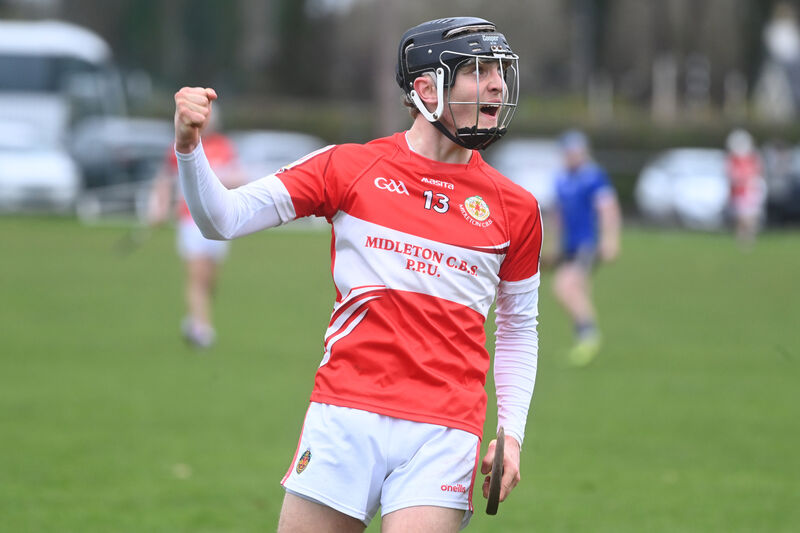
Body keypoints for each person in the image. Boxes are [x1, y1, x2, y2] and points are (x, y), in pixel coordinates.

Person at [173, 17, 541, 532]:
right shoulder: (348, 168)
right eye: (479, 71)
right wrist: (189, 148)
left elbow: (520, 327)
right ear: (426, 88)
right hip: (344, 415)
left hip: (445, 433)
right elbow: (222, 219)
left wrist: (512, 433)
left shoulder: (516, 208)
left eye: (500, 71)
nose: (498, 84)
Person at [148, 110, 245, 348]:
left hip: (220, 221)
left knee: (210, 280)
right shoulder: (181, 145)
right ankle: (202, 329)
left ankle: (195, 317)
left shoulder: (224, 146)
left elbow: (238, 177)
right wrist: (159, 207)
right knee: (197, 275)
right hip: (190, 220)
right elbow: (165, 179)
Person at [548, 130, 621, 367]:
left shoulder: (593, 177)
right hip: (569, 247)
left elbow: (608, 209)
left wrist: (610, 240)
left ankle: (589, 336)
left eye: (576, 152)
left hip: (586, 245)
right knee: (578, 289)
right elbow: (557, 215)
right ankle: (586, 343)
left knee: (564, 286)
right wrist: (552, 245)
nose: (572, 156)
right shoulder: (561, 179)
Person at [725, 128, 766, 249]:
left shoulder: (752, 158)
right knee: (740, 218)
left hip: (749, 192)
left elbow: (756, 173)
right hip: (738, 193)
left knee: (749, 217)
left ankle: (749, 238)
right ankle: (742, 240)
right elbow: (732, 175)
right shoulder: (733, 159)